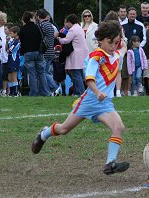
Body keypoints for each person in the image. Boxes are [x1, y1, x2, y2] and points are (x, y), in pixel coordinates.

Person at [31, 20, 130, 175]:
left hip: (105, 105)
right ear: (100, 41)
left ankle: (110, 163)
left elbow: (123, 48)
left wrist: (122, 40)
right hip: (90, 101)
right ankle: (44, 134)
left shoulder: (116, 54)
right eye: (110, 42)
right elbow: (89, 78)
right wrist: (97, 92)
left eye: (116, 43)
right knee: (64, 129)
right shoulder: (96, 57)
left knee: (119, 127)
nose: (113, 46)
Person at [19, 11, 51, 96]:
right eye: (33, 17)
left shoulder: (22, 29)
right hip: (38, 52)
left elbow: (21, 42)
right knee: (42, 73)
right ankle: (46, 92)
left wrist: (22, 53)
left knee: (32, 74)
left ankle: (33, 93)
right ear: (30, 18)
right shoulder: (37, 27)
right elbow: (42, 38)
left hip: (28, 53)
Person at [57, 14, 89, 96]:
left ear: (69, 22)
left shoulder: (73, 29)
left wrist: (59, 38)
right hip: (82, 54)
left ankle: (80, 92)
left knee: (76, 74)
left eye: (66, 22)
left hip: (76, 54)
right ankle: (79, 92)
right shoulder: (79, 28)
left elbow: (66, 40)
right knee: (79, 74)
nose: (65, 25)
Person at [121, 7, 146, 96]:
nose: (132, 15)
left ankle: (134, 90)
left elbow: (144, 39)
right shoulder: (122, 25)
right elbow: (120, 38)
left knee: (136, 74)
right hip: (125, 53)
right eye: (130, 14)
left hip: (136, 54)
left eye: (134, 14)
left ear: (136, 14)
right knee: (125, 73)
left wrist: (138, 48)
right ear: (128, 14)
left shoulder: (140, 25)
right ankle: (124, 91)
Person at [36, 9, 60, 96]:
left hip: (45, 52)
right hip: (51, 52)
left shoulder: (42, 25)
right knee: (45, 72)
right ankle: (45, 91)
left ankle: (55, 87)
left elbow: (40, 38)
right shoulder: (50, 25)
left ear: (38, 17)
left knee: (43, 73)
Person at [6, 26, 20, 97]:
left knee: (14, 76)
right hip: (10, 60)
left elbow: (9, 50)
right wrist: (7, 41)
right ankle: (11, 92)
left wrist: (8, 47)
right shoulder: (12, 41)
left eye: (11, 33)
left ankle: (15, 92)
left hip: (15, 61)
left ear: (16, 33)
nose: (10, 35)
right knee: (9, 77)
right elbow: (6, 49)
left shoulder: (17, 42)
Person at [0, 22, 14, 96]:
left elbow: (8, 50)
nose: (4, 31)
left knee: (10, 75)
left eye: (6, 29)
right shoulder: (3, 38)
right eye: (4, 29)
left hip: (10, 60)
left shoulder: (12, 39)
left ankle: (11, 90)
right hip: (4, 60)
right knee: (4, 76)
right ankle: (5, 90)